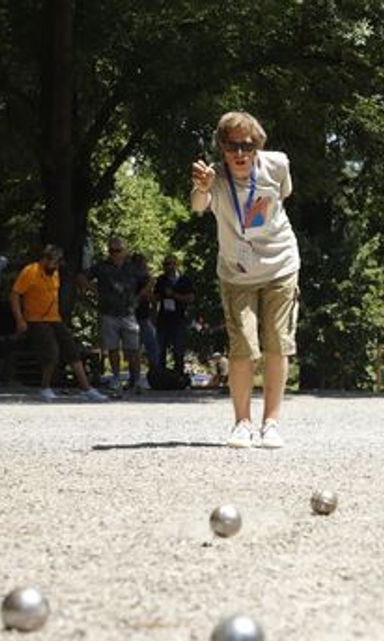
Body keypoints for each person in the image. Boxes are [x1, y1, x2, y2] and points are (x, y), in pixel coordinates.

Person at [191, 110, 300, 448]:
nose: (240, 153)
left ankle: (271, 423)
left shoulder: (277, 164)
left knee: (278, 343)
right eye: (231, 146)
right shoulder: (215, 177)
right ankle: (242, 424)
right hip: (237, 273)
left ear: (258, 145)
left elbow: (283, 195)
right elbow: (198, 206)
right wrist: (201, 186)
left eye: (247, 145)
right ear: (221, 148)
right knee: (244, 346)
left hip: (280, 264)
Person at [10, 244, 108, 402]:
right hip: (36, 319)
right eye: (55, 262)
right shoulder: (30, 271)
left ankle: (86, 388)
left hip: (55, 318)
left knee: (72, 350)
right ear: (45, 259)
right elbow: (15, 295)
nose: (56, 266)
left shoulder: (55, 272)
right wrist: (20, 319)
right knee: (51, 352)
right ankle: (45, 387)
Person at [78, 239, 149, 393]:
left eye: (117, 251)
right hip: (108, 313)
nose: (114, 254)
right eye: (111, 251)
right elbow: (82, 277)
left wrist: (140, 295)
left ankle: (135, 380)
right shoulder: (101, 267)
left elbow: (149, 279)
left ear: (124, 251)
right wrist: (94, 290)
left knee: (133, 349)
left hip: (128, 313)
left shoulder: (133, 267)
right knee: (113, 349)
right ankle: (116, 378)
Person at [153, 255, 195, 373]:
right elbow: (155, 297)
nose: (168, 267)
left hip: (179, 319)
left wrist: (174, 295)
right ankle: (160, 374)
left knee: (178, 348)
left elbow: (191, 298)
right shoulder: (161, 279)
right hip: (163, 318)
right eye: (166, 264)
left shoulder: (184, 280)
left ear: (176, 265)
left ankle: (179, 374)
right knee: (160, 348)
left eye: (171, 264)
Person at [131, 252, 158, 386]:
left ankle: (155, 375)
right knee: (135, 349)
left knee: (151, 346)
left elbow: (151, 299)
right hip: (135, 317)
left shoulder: (145, 279)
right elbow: (140, 297)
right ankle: (135, 378)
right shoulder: (133, 279)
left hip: (145, 317)